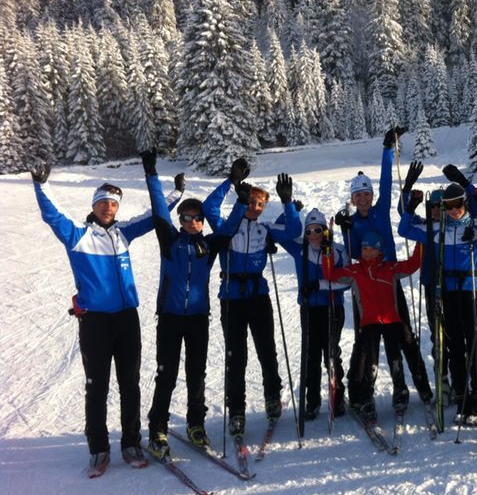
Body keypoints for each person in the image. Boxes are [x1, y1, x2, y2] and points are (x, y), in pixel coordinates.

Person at [31, 162, 183, 475]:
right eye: (104, 203)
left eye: (114, 204)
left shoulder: (123, 233)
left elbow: (154, 216)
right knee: (96, 385)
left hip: (127, 318)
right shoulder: (78, 236)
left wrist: (176, 194)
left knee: (130, 383)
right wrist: (41, 185)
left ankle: (130, 442)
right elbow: (52, 216)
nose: (109, 208)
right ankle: (98, 449)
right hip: (96, 322)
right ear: (94, 206)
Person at [141, 149, 245, 459]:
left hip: (198, 317)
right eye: (185, 217)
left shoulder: (209, 244)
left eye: (196, 217)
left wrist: (235, 188)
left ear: (201, 222)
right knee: (167, 374)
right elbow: (160, 209)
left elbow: (229, 228)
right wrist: (151, 173)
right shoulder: (170, 240)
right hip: (171, 318)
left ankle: (195, 425)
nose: (191, 221)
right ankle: (158, 428)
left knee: (196, 374)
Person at [335, 128, 432, 409]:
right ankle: (363, 391)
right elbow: (353, 254)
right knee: (366, 341)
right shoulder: (351, 222)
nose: (363, 199)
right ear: (353, 199)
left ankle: (409, 386)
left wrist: (388, 148)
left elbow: (387, 180)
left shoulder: (379, 210)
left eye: (366, 194)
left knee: (401, 334)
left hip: (389, 276)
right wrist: (343, 230)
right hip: (365, 284)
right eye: (358, 195)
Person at [203, 163, 301, 437]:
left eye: (260, 204)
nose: (255, 207)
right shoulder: (228, 226)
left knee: (267, 350)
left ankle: (272, 397)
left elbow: (293, 231)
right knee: (236, 357)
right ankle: (236, 410)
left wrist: (287, 202)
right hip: (232, 297)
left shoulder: (265, 230)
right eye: (252, 202)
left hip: (258, 296)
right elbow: (209, 207)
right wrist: (230, 182)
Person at [398, 182, 477, 425]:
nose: (453, 210)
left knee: (474, 343)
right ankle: (461, 394)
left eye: (458, 204)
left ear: (465, 204)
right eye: (448, 206)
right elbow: (403, 229)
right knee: (454, 346)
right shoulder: (437, 230)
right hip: (448, 291)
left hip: (471, 290)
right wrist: (410, 206)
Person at [322, 232, 427, 423]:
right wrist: (327, 254)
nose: (367, 252)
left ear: (379, 250)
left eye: (371, 249)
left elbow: (413, 264)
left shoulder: (390, 268)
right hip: (368, 322)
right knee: (370, 362)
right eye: (364, 249)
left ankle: (400, 389)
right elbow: (330, 274)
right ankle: (366, 396)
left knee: (395, 357)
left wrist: (421, 239)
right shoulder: (354, 271)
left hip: (391, 320)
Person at [277, 208, 349, 421]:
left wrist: (319, 284)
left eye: (318, 230)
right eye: (309, 231)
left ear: (325, 229)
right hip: (309, 308)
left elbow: (347, 282)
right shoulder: (299, 247)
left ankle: (337, 397)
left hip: (332, 307)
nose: (313, 235)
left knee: (331, 353)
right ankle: (312, 401)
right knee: (311, 354)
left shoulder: (338, 251)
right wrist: (291, 211)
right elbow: (281, 233)